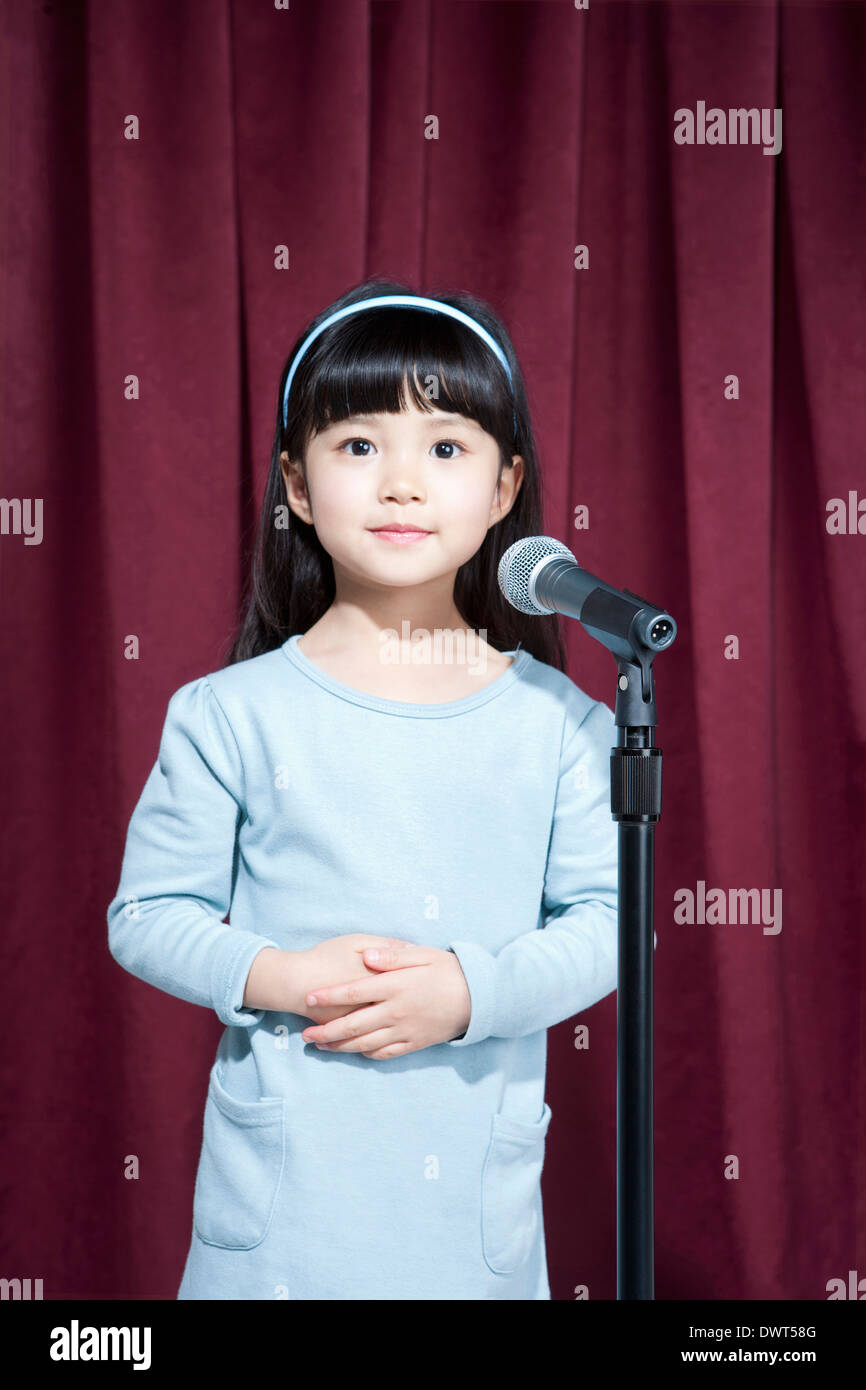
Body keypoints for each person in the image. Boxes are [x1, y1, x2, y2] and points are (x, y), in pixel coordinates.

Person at [106, 276, 623, 1300]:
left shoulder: (562, 724)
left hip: (467, 1224)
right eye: (356, 445)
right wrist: (282, 977)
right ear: (295, 484)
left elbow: (608, 923)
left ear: (503, 484)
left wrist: (469, 992)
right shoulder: (227, 713)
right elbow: (147, 915)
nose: (400, 483)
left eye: (443, 447)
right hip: (280, 1225)